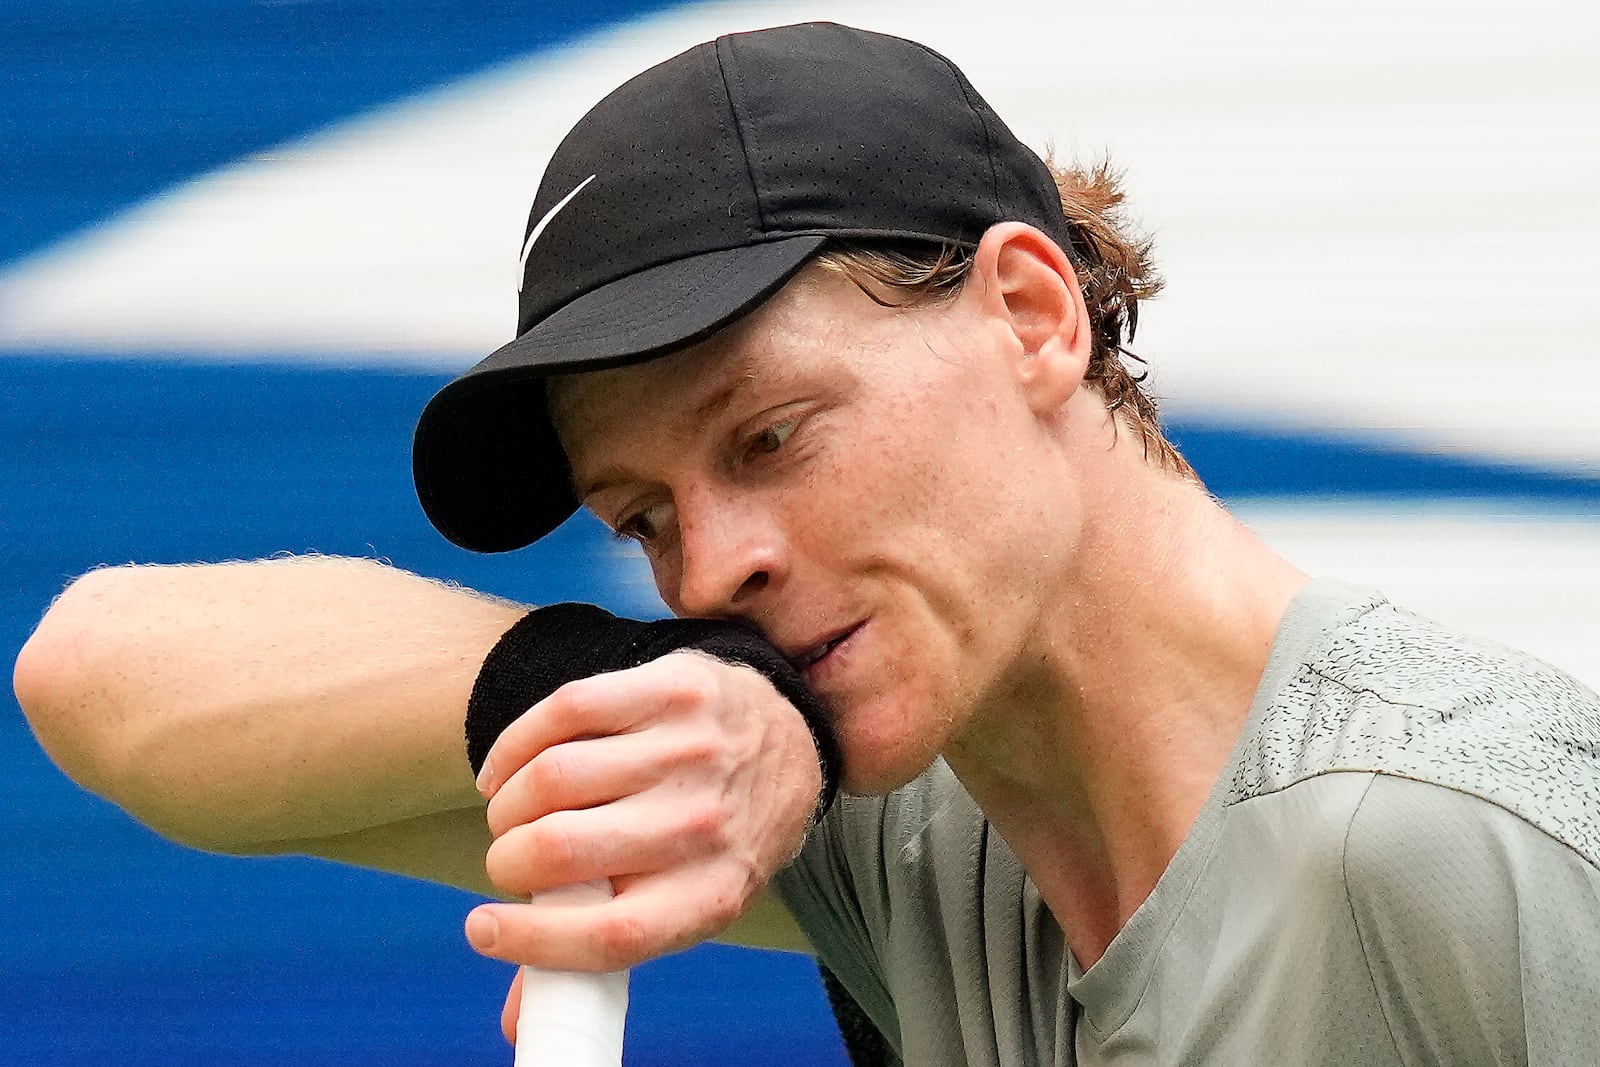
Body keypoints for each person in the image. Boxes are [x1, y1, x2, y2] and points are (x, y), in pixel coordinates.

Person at [15, 21, 1600, 1066]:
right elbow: (96, 677)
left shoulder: (1459, 841)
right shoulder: (907, 807)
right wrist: (664, 695)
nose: (709, 575)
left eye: (770, 436)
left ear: (1032, 315)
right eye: (642, 518)